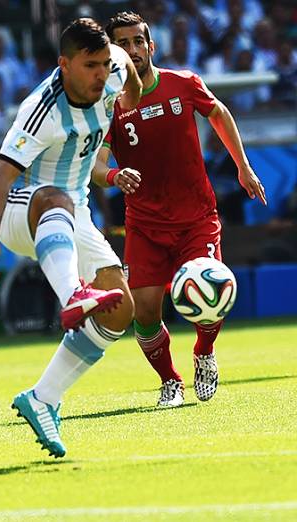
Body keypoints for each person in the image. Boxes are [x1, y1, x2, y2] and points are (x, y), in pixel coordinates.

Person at [0, 18, 142, 458]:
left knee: (119, 309)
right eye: (91, 65)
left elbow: (128, 64)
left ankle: (43, 397)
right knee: (54, 197)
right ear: (64, 65)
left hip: (75, 211)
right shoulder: (41, 110)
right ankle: (72, 294)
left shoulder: (115, 73)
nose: (101, 74)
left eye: (104, 64)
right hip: (24, 207)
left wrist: (130, 93)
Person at [97, 12, 266, 408]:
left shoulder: (184, 83)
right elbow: (96, 163)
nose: (132, 49)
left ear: (151, 46)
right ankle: (170, 381)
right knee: (143, 314)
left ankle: (204, 352)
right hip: (144, 223)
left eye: (138, 41)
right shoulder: (107, 107)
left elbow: (219, 114)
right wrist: (113, 176)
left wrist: (243, 167)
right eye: (121, 43)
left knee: (211, 294)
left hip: (196, 218)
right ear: (110, 54)